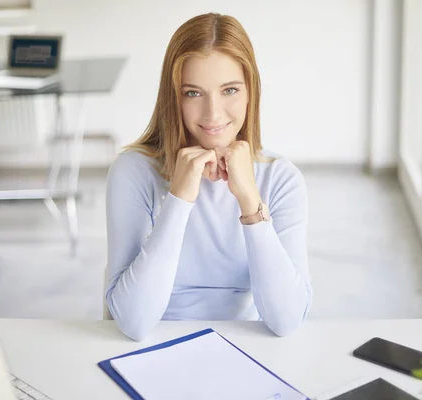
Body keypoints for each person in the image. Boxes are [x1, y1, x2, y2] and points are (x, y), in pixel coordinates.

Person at [105, 12, 312, 341]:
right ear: (173, 97)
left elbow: (285, 321)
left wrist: (249, 201)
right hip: (158, 343)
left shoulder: (280, 178)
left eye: (229, 90)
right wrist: (178, 199)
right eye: (193, 93)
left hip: (250, 346)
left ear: (250, 92)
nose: (213, 114)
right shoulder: (134, 170)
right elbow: (133, 322)